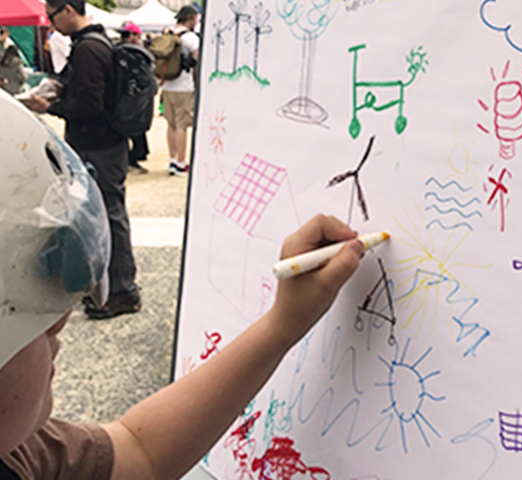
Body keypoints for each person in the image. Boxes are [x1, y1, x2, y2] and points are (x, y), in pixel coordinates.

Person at [0, 89, 364, 480]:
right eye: (41, 325)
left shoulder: (19, 453)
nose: (58, 329)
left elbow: (139, 452)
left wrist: (283, 324)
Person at [25, 0, 141, 320]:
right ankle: (112, 288)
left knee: (109, 216)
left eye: (52, 13)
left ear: (69, 10)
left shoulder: (88, 49)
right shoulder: (91, 43)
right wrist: (55, 89)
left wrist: (48, 108)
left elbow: (89, 104)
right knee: (105, 214)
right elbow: (77, 89)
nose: (50, 21)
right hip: (104, 145)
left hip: (100, 146)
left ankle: (122, 291)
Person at [162, 5, 200, 176]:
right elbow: (197, 61)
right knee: (182, 126)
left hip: (167, 86)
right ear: (191, 18)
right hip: (183, 87)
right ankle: (181, 163)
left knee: (170, 124)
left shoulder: (169, 34)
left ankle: (171, 160)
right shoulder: (191, 37)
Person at [120, 22, 151, 174]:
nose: (138, 39)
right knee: (134, 133)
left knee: (135, 134)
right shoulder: (133, 53)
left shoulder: (119, 51)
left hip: (128, 99)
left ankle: (131, 159)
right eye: (136, 36)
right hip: (132, 100)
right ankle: (131, 160)